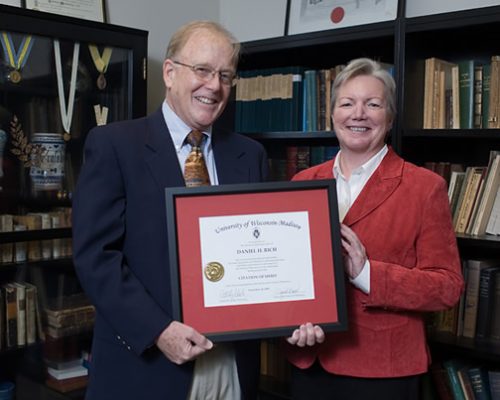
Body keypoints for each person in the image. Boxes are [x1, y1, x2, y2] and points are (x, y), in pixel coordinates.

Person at [72, 21, 268, 400]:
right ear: (169, 72)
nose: (214, 85)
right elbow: (95, 258)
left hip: (230, 365)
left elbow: (260, 252)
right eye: (203, 70)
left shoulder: (250, 155)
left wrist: (292, 313)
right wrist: (158, 330)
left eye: (226, 75)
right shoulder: (114, 146)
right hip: (145, 367)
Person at [285, 58, 464, 400]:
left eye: (373, 104)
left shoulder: (425, 187)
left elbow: (447, 287)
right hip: (311, 361)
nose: (359, 114)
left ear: (390, 117)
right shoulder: (302, 182)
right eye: (347, 103)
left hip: (384, 370)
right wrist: (287, 323)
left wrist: (367, 273)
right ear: (333, 114)